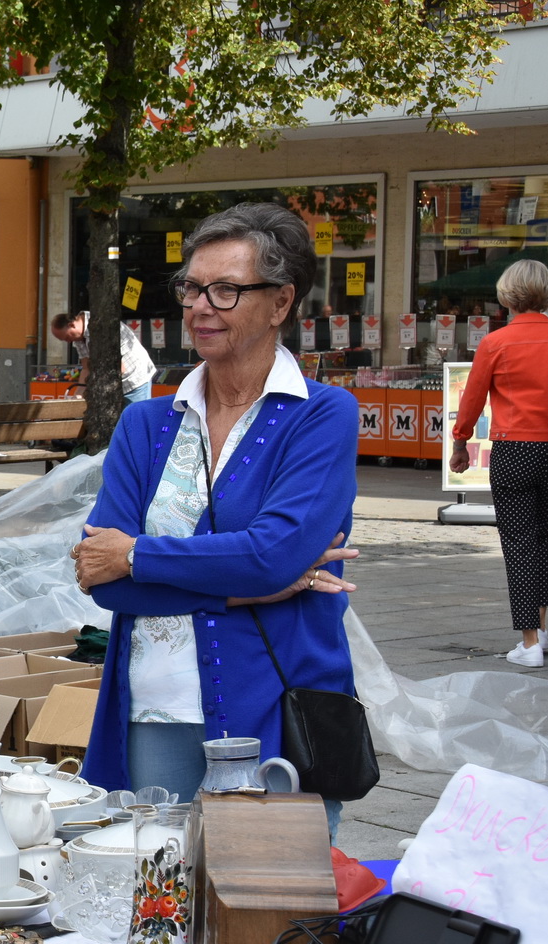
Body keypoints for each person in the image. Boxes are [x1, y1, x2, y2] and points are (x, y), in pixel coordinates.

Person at [73, 202, 361, 837]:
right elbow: (102, 578)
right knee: (158, 912)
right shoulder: (146, 423)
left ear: (281, 303)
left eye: (225, 290)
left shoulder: (323, 415)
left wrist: (139, 554)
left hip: (277, 707)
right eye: (192, 288)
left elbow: (273, 553)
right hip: (155, 706)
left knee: (274, 919)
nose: (200, 306)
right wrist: (249, 583)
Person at [450, 258, 548, 668]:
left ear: (507, 296)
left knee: (518, 544)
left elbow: (472, 398)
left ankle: (529, 644)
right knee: (543, 537)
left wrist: (460, 441)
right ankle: (540, 627)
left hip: (513, 449)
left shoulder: (496, 342)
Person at [52, 309, 157, 404]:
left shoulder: (101, 326)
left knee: (137, 421)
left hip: (135, 380)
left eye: (66, 337)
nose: (68, 342)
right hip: (115, 383)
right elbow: (86, 368)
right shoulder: (78, 337)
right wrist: (78, 395)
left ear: (71, 325)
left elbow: (119, 368)